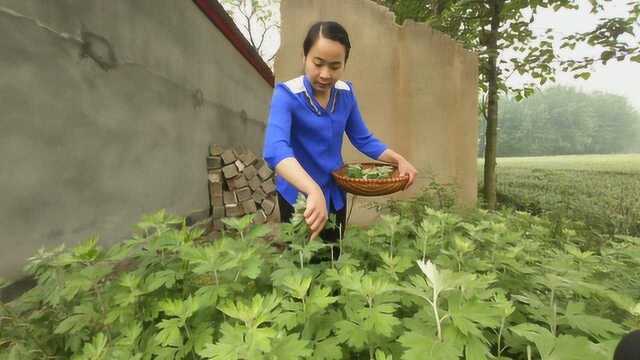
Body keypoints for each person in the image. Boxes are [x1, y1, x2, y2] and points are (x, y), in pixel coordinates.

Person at [262, 21, 418, 251]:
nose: (325, 74)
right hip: (299, 195)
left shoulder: (346, 94)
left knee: (333, 256)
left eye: (335, 66)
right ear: (304, 56)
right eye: (318, 63)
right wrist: (312, 190)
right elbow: (275, 150)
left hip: (334, 191)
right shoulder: (287, 95)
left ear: (345, 63)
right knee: (302, 262)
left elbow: (363, 138)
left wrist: (398, 160)